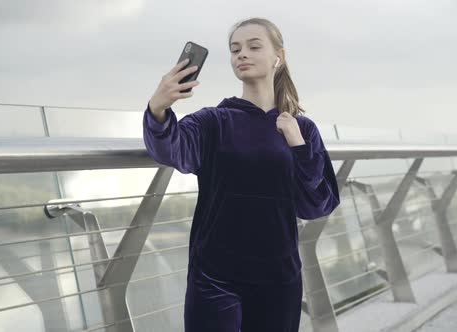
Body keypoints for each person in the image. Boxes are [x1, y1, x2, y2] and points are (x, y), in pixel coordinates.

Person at [142, 17, 340, 332]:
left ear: (279, 56)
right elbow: (170, 150)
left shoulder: (302, 129)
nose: (241, 55)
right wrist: (158, 109)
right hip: (215, 278)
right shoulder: (212, 122)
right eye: (235, 49)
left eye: (253, 46)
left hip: (280, 280)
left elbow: (315, 206)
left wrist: (298, 146)